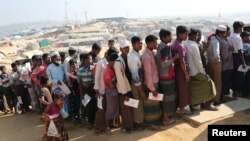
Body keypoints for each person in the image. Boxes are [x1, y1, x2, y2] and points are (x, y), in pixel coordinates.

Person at [185, 28, 217, 111]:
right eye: (197, 35)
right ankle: (207, 104)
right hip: (196, 71)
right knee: (209, 84)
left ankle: (193, 106)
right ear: (195, 35)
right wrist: (204, 72)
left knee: (193, 89)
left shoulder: (186, 44)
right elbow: (198, 62)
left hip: (190, 72)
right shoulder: (194, 45)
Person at [156, 29, 179, 125]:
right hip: (166, 76)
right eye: (169, 36)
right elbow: (164, 64)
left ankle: (168, 116)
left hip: (166, 75)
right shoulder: (164, 48)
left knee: (169, 97)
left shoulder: (163, 46)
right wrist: (175, 58)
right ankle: (165, 119)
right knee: (167, 98)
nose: (171, 38)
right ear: (163, 38)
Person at [141, 35, 162, 130]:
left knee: (155, 105)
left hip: (154, 82)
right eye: (154, 42)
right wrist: (152, 88)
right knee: (150, 107)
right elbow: (148, 74)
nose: (156, 44)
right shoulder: (146, 56)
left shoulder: (151, 53)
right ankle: (151, 124)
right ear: (148, 43)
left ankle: (155, 122)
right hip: (151, 84)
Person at [171, 25, 193, 115]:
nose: (186, 36)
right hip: (181, 69)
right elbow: (182, 61)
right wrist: (186, 74)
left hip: (177, 68)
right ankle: (182, 109)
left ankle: (181, 107)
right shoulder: (180, 46)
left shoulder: (174, 43)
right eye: (185, 34)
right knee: (183, 89)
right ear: (180, 34)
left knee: (180, 88)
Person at [114, 40, 133, 133]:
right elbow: (120, 79)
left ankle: (130, 125)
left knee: (129, 108)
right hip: (123, 90)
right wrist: (125, 92)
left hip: (129, 87)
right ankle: (127, 127)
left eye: (128, 47)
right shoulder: (118, 61)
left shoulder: (128, 58)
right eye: (125, 48)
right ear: (120, 49)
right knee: (125, 109)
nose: (127, 49)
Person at [127, 36, 145, 129]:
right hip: (136, 83)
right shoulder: (133, 57)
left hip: (138, 82)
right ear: (133, 44)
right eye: (138, 43)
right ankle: (138, 123)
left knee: (139, 102)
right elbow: (135, 75)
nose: (140, 45)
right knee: (137, 103)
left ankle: (139, 122)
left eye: (141, 43)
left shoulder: (137, 54)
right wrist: (140, 90)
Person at [207, 25, 227, 105]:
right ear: (222, 33)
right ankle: (216, 100)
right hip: (215, 63)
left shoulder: (211, 38)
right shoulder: (216, 41)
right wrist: (218, 61)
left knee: (211, 82)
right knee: (218, 83)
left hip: (209, 62)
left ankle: (210, 99)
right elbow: (216, 55)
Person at [77, 54, 96, 129]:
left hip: (92, 90)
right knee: (88, 107)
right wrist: (82, 94)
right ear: (84, 60)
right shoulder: (80, 70)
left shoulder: (93, 68)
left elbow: (95, 80)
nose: (91, 61)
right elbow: (80, 83)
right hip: (85, 91)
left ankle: (94, 121)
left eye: (91, 59)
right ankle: (89, 122)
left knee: (94, 106)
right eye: (89, 59)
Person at [228, 21, 246, 98]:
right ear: (238, 28)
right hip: (237, 57)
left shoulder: (230, 36)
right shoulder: (238, 38)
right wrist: (243, 62)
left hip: (231, 56)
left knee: (234, 74)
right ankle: (237, 92)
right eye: (241, 28)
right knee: (239, 75)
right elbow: (239, 51)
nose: (242, 29)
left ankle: (234, 91)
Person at [103, 53, 119, 135]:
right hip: (110, 91)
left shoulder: (111, 69)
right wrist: (116, 81)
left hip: (113, 91)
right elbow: (111, 85)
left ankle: (111, 124)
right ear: (112, 61)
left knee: (114, 109)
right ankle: (106, 128)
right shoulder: (108, 71)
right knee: (110, 110)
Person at [220, 26, 234, 102]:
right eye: (228, 31)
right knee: (225, 83)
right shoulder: (224, 42)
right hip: (226, 67)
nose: (230, 32)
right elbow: (225, 57)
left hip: (225, 66)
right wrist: (230, 51)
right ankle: (222, 98)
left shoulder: (223, 41)